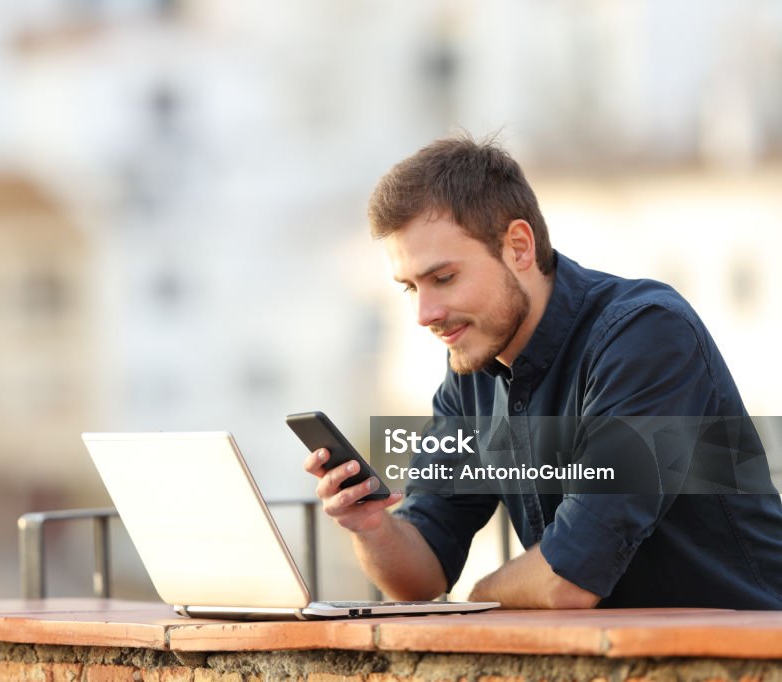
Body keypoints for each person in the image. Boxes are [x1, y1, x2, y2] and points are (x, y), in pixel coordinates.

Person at [304, 136, 782, 609]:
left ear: (518, 246)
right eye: (410, 287)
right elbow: (421, 573)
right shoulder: (470, 372)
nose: (424, 313)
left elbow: (570, 575)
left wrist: (481, 597)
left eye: (443, 278)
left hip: (745, 655)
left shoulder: (649, 336)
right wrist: (371, 527)